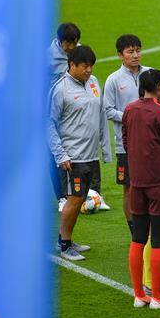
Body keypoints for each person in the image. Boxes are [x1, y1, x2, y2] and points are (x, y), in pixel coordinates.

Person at [104, 34, 160, 247]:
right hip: (127, 144)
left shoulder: (151, 74)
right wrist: (133, 118)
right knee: (130, 188)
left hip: (153, 144)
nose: (135, 55)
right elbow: (108, 110)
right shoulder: (113, 80)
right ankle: (136, 230)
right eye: (130, 51)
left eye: (138, 50)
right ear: (120, 55)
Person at [47, 45, 111, 261]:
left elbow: (100, 116)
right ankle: (64, 246)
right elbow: (49, 124)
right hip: (72, 157)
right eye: (84, 66)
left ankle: (65, 239)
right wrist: (60, 154)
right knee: (73, 200)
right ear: (71, 65)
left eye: (91, 65)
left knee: (81, 197)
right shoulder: (60, 89)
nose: (89, 70)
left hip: (90, 155)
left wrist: (105, 148)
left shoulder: (93, 83)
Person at [124, 69, 160, 310]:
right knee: (157, 239)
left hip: (137, 182)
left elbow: (126, 141)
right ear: (158, 87)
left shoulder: (129, 109)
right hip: (159, 182)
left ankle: (139, 295)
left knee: (138, 237)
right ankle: (157, 296)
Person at [47, 22, 81, 207]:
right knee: (53, 153)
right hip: (53, 108)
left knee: (74, 148)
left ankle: (80, 193)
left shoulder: (78, 51)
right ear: (61, 41)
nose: (73, 47)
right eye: (70, 43)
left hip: (73, 107)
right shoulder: (47, 58)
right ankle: (61, 197)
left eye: (75, 42)